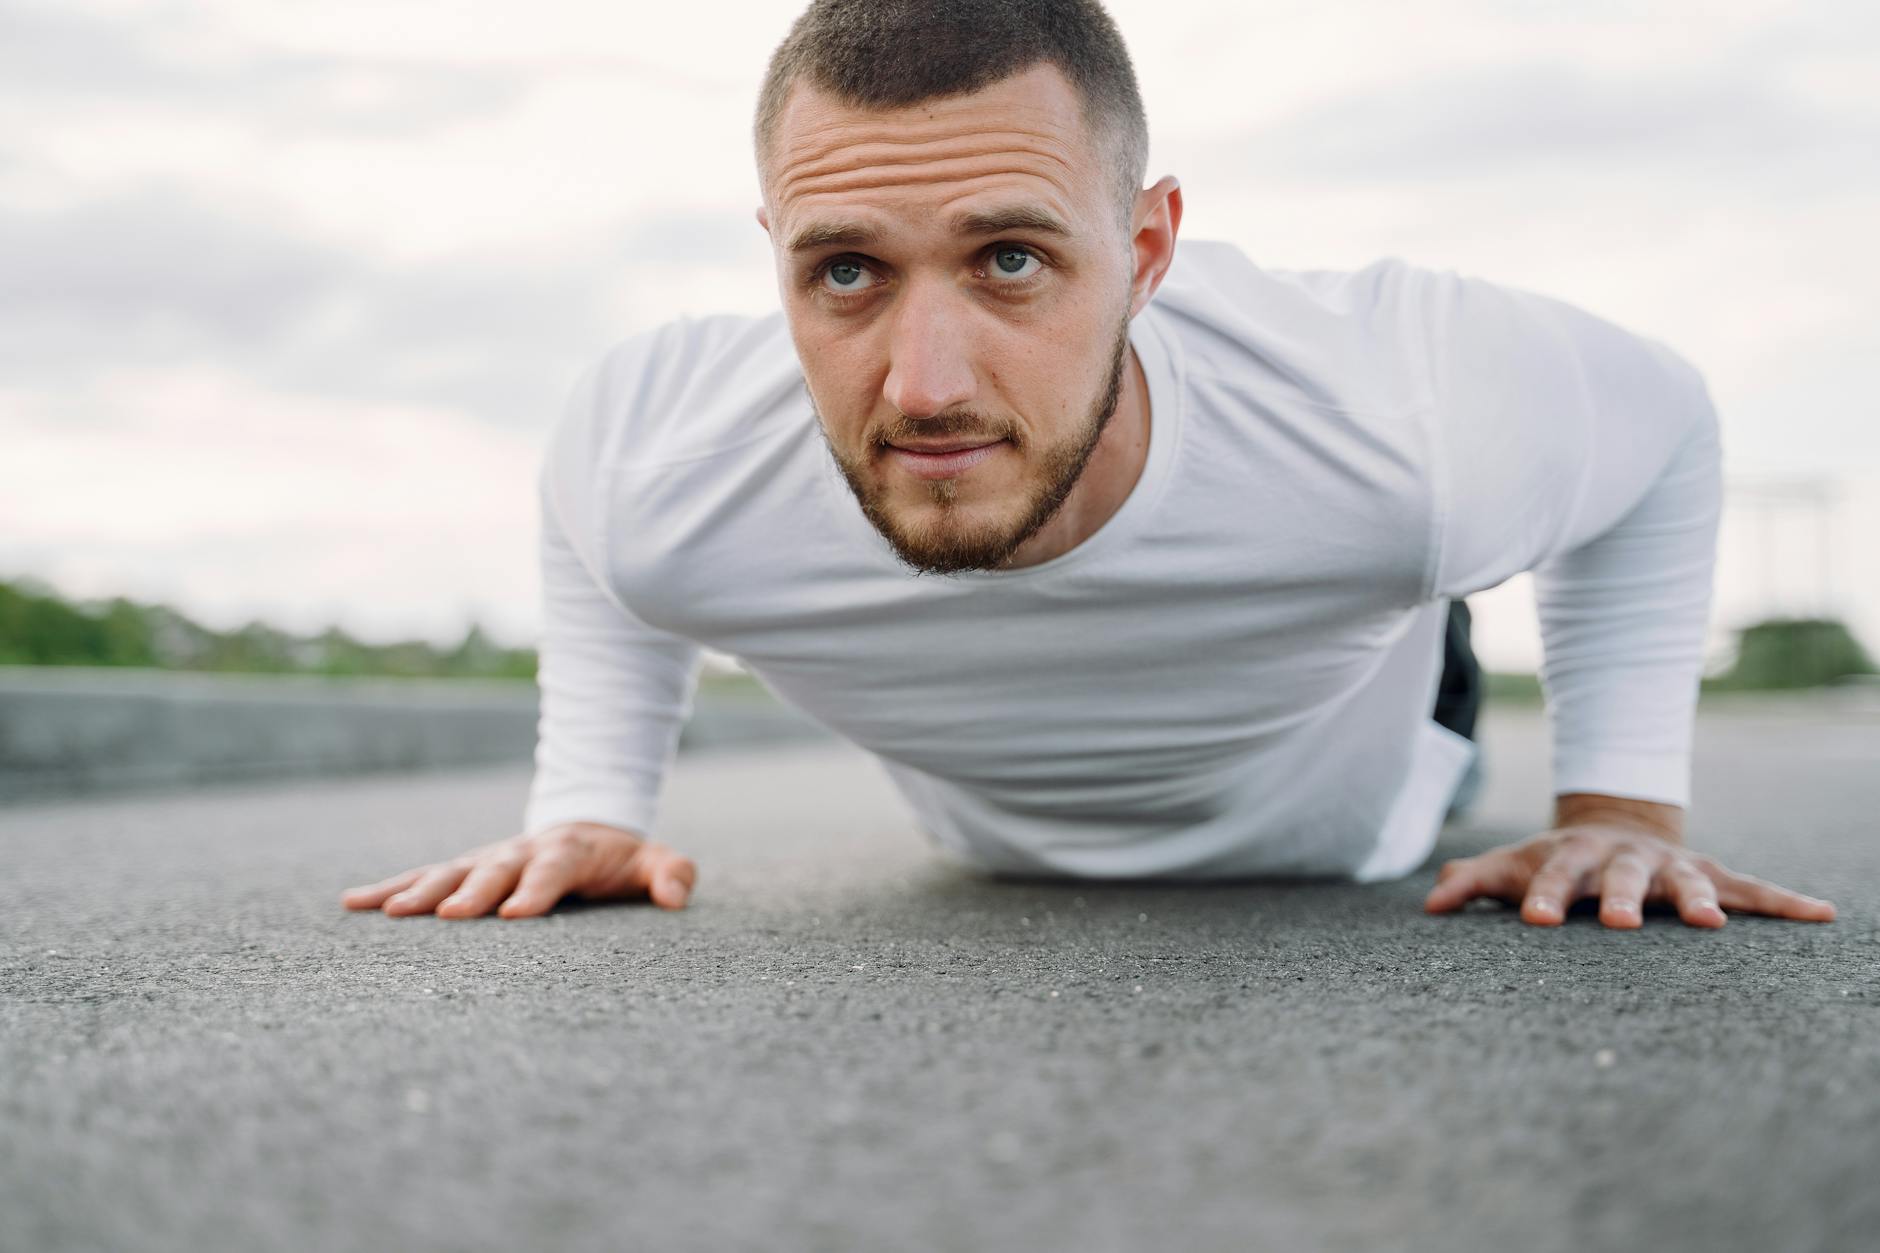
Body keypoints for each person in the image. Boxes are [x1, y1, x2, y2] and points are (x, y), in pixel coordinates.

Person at [342, 0, 1835, 931]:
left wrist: (1622, 809)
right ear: (777, 260)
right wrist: (593, 797)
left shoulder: (1406, 415)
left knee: (1392, 552)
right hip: (1003, 835)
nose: (923, 386)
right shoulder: (665, 459)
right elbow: (593, 525)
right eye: (846, 272)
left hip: (1358, 761)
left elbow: (1668, 430)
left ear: (1144, 247)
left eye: (1009, 258)